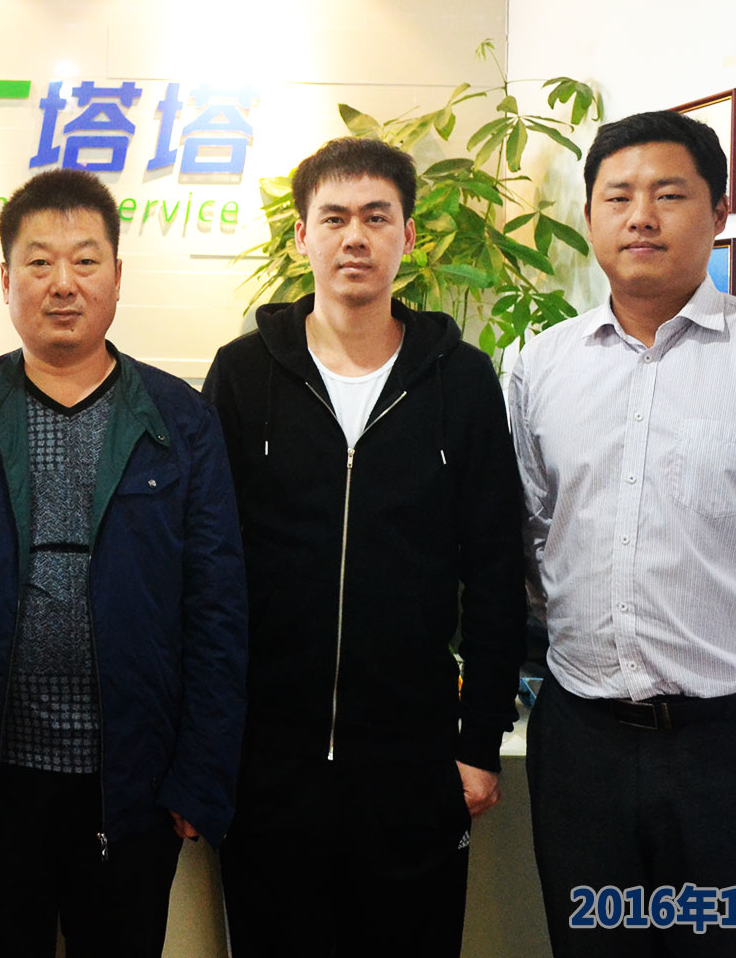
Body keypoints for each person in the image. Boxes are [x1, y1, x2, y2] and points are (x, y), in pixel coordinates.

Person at [0, 168, 247, 958]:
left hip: (134, 783)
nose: (63, 284)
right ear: (6, 280)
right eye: (40, 263)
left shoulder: (180, 418)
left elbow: (217, 607)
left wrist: (201, 773)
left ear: (117, 276)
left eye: (85, 261)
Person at [201, 137, 527, 956]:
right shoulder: (243, 375)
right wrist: (208, 746)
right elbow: (205, 570)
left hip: (412, 765)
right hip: (268, 765)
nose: (355, 237)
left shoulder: (461, 380)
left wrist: (479, 742)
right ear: (301, 236)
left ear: (408, 236)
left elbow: (496, 570)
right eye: (334, 218)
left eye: (377, 218)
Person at [509, 110, 736, 957]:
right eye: (618, 197)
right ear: (590, 216)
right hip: (581, 745)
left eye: (669, 194)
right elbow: (531, 531)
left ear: (719, 211)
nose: (641, 217)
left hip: (735, 747)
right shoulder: (539, 365)